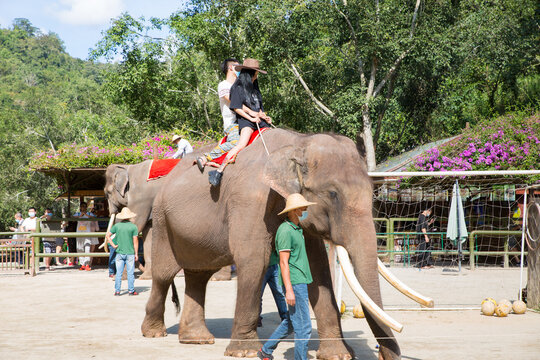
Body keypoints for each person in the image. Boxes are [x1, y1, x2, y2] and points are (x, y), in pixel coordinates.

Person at [258, 193, 316, 360]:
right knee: (304, 328)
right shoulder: (285, 231)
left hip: (301, 281)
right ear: (295, 210)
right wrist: (289, 290)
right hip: (295, 283)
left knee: (291, 323)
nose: (306, 209)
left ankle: (266, 351)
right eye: (303, 207)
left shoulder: (297, 229)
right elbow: (283, 263)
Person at [208, 58, 272, 186]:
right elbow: (236, 107)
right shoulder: (237, 88)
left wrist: (263, 116)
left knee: (271, 136)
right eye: (256, 72)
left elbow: (259, 107)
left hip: (258, 120)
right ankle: (219, 171)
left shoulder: (255, 88)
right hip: (246, 121)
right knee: (241, 144)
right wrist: (251, 118)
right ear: (251, 73)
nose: (257, 75)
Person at [196, 58, 242, 170]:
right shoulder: (224, 85)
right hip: (232, 124)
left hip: (244, 121)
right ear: (231, 68)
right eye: (238, 67)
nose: (240, 70)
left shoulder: (239, 87)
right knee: (236, 143)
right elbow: (233, 101)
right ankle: (206, 157)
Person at [106, 207, 139, 296]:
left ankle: (117, 291)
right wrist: (136, 253)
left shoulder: (117, 226)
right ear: (129, 217)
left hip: (119, 253)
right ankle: (131, 291)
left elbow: (107, 236)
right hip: (130, 253)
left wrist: (113, 245)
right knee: (130, 273)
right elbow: (135, 241)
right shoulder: (133, 227)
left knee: (119, 273)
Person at [258, 252, 288, 327]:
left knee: (280, 294)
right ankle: (256, 318)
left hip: (274, 266)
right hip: (260, 267)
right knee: (258, 295)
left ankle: (285, 318)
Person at [74, 202, 98, 271]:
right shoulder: (78, 214)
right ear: (80, 207)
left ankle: (87, 264)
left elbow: (93, 217)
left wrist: (86, 214)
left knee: (87, 248)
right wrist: (81, 215)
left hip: (87, 233)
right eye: (82, 206)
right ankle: (82, 264)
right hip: (79, 233)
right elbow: (74, 217)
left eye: (84, 206)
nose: (83, 208)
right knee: (79, 248)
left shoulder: (90, 214)